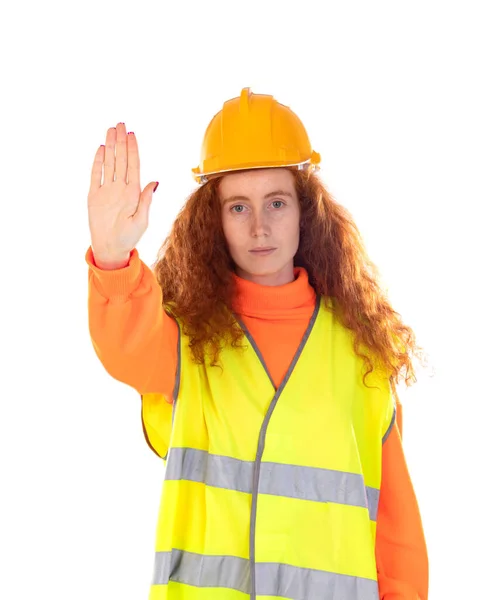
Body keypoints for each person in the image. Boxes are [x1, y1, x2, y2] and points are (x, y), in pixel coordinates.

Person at [86, 88, 429, 600]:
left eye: (276, 202)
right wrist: (113, 258)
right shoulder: (190, 341)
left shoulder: (362, 356)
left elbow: (396, 535)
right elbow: (128, 347)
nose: (260, 226)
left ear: (304, 212)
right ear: (214, 220)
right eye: (238, 207)